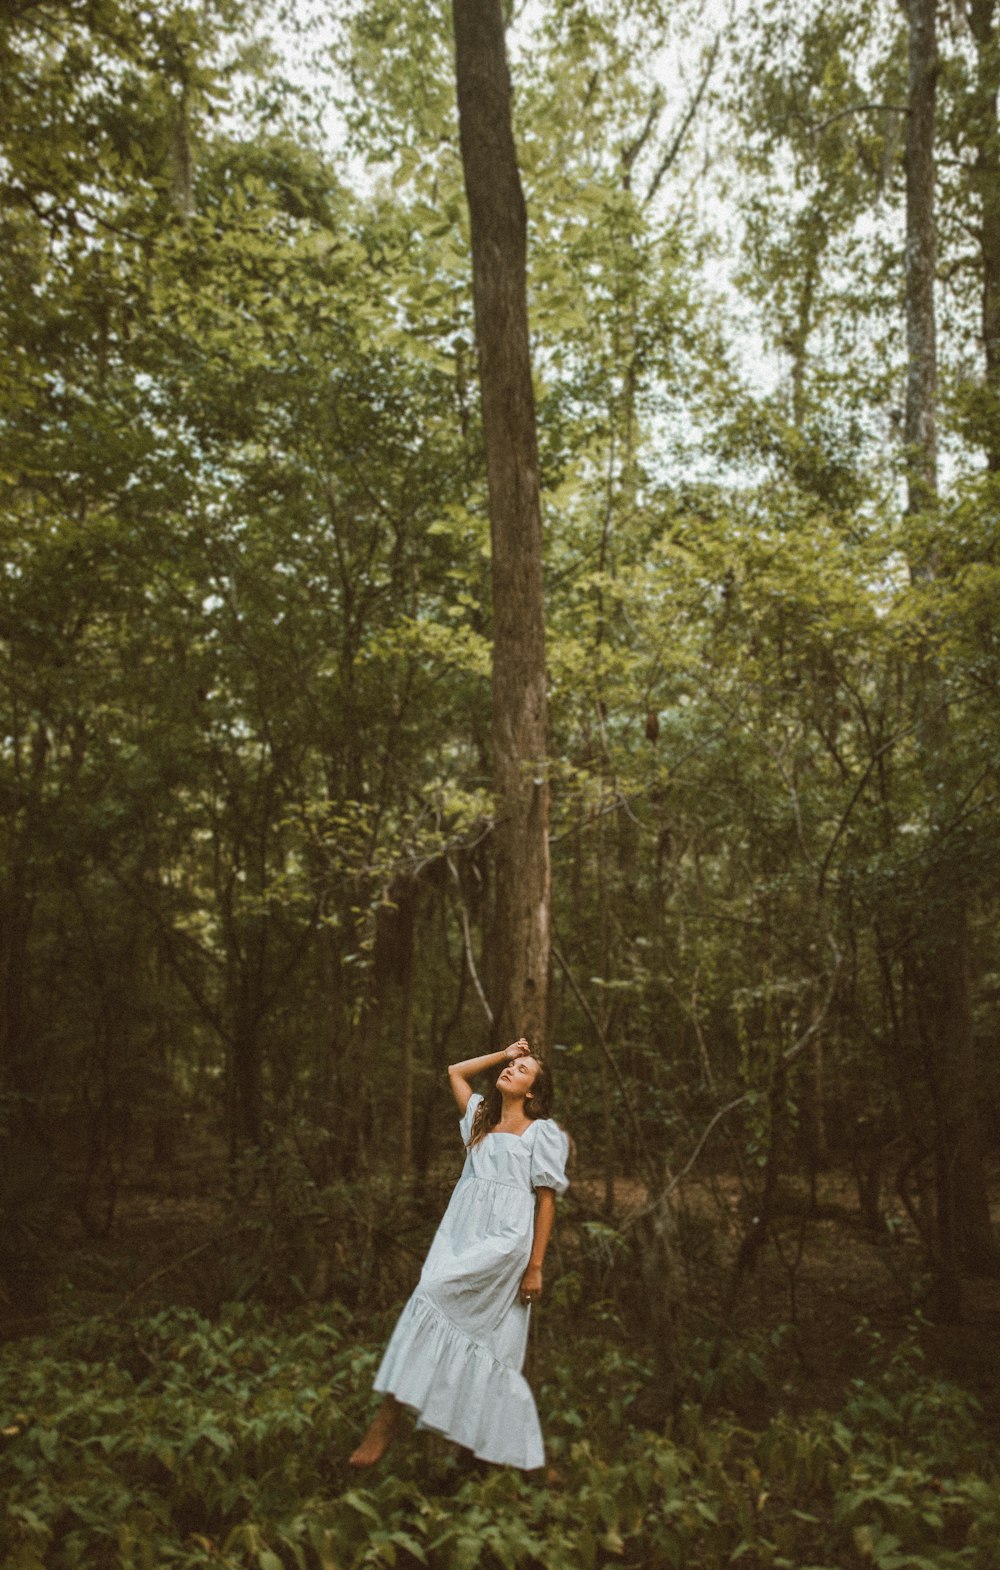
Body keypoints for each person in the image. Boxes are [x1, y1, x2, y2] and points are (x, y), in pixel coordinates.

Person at [348, 1036, 569, 1470]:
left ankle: (387, 1420)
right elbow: (455, 1071)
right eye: (512, 1065)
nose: (511, 1071)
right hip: (460, 1236)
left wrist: (535, 1267)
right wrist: (505, 1053)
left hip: (504, 1242)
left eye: (522, 1070)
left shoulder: (541, 1133)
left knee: (430, 1295)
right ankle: (476, 1452)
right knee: (473, 1332)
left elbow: (546, 1201)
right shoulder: (479, 1122)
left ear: (532, 1093)